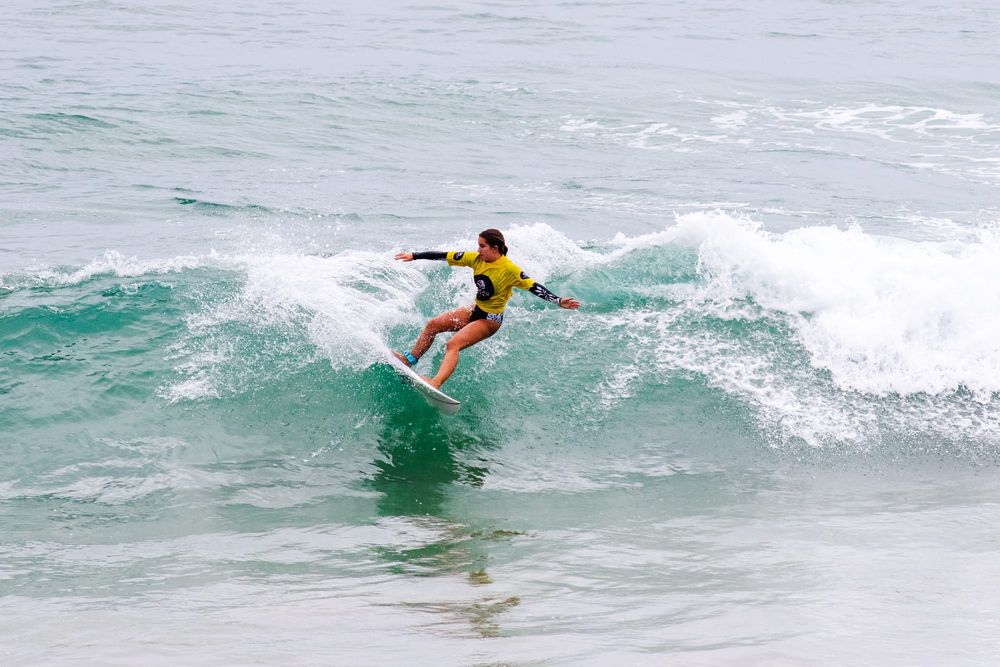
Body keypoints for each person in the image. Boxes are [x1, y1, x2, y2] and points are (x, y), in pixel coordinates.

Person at [394, 228, 580, 388]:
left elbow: (533, 286)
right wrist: (414, 256)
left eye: (482, 246)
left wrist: (558, 300)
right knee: (433, 325)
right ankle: (409, 360)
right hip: (476, 310)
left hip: (490, 319)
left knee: (453, 344)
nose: (478, 249)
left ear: (495, 248)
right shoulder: (476, 259)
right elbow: (444, 255)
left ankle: (435, 383)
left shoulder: (509, 270)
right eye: (478, 245)